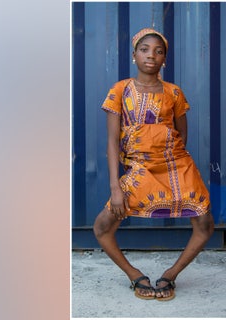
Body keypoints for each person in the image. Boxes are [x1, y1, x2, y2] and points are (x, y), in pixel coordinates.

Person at [93, 28, 214, 301]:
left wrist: (166, 151)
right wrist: (116, 185)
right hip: (140, 169)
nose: (152, 55)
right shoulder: (120, 90)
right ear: (134, 55)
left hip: (177, 165)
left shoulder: (174, 92)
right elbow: (112, 141)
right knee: (102, 226)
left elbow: (181, 133)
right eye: (145, 49)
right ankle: (135, 276)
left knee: (205, 224)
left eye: (159, 52)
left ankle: (170, 275)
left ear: (165, 60)